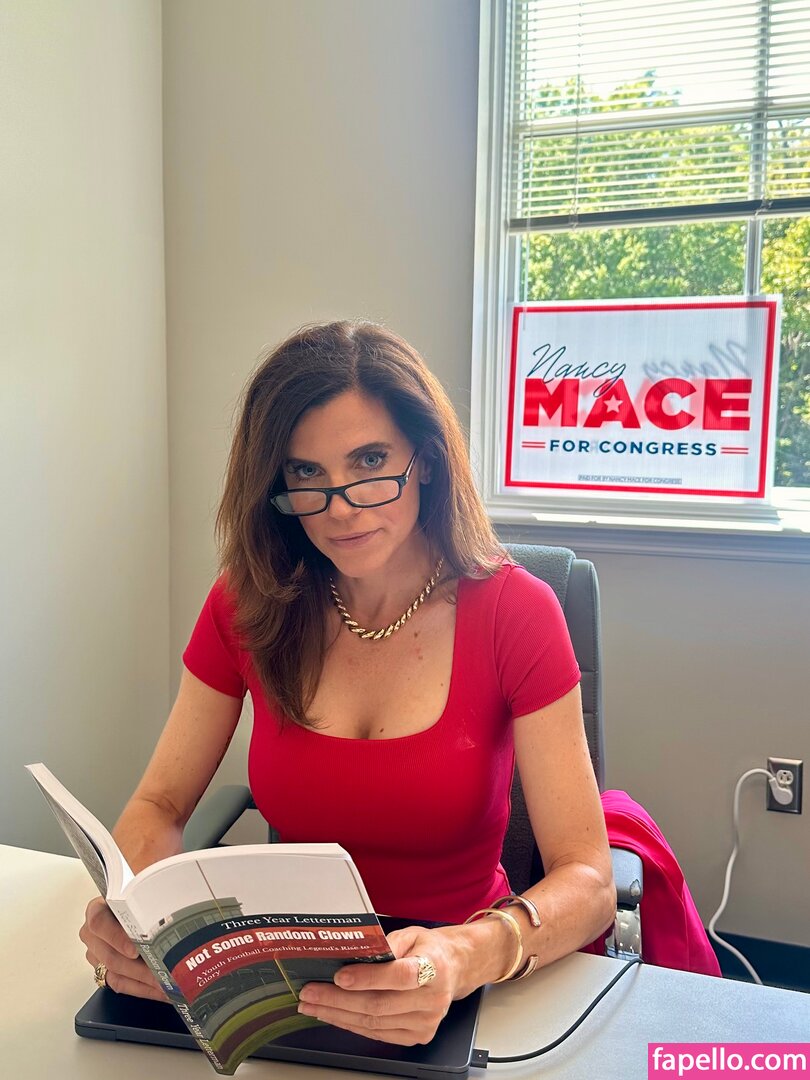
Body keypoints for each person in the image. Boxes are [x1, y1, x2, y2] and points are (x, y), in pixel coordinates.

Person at [80, 320, 615, 1045]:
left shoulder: (516, 611)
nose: (340, 507)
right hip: (282, 985)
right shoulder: (248, 602)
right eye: (306, 474)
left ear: (426, 460)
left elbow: (589, 879)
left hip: (457, 986)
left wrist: (466, 953)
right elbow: (160, 803)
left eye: (369, 460)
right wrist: (132, 914)